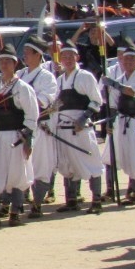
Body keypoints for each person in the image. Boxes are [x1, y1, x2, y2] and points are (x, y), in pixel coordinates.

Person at [0, 45, 39, 227]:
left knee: (17, 175)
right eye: (1, 61)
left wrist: (27, 137)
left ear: (15, 64)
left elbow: (32, 115)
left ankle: (15, 211)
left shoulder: (22, 88)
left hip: (16, 136)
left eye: (8, 61)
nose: (4, 64)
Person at [53, 41, 106, 213]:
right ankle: (72, 199)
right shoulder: (60, 80)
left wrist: (84, 118)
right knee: (68, 164)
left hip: (81, 128)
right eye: (64, 56)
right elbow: (57, 104)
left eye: (70, 56)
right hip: (64, 128)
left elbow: (97, 100)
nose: (67, 59)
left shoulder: (85, 76)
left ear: (77, 57)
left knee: (90, 161)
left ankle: (96, 200)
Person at [103, 38, 135, 206]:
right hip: (123, 121)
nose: (129, 62)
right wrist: (110, 121)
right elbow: (114, 103)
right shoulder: (121, 77)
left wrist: (113, 83)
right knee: (127, 156)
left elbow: (132, 92)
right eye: (126, 59)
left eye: (132, 59)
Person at [19, 36, 59, 218]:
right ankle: (18, 202)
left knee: (41, 165)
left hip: (39, 127)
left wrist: (24, 103)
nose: (25, 56)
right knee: (20, 165)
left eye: (28, 53)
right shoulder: (19, 75)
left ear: (37, 55)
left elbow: (44, 101)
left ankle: (37, 202)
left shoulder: (46, 77)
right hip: (20, 126)